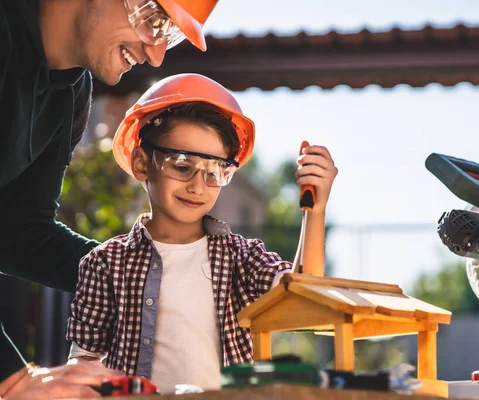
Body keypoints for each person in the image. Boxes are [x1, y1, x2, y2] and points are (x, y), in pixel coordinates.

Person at [66, 73, 338, 393]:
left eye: (214, 171)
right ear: (142, 163)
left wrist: (315, 210)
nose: (198, 186)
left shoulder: (241, 258)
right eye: (182, 165)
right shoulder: (104, 263)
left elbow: (303, 296)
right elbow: (83, 363)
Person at [0, 0, 220, 394]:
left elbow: (18, 233)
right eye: (155, 22)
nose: (154, 55)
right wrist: (13, 380)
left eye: (166, 36)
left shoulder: (70, 94)